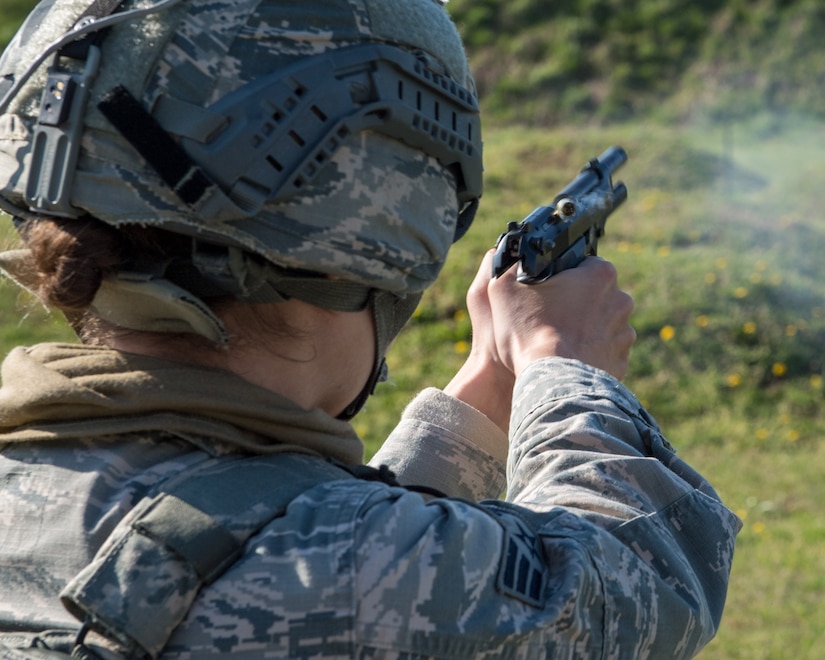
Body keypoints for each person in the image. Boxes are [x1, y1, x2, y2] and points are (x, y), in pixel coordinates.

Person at [0, 0, 741, 658]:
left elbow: (268, 519)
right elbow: (640, 586)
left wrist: (487, 391)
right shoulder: (346, 571)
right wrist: (568, 369)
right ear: (374, 241)